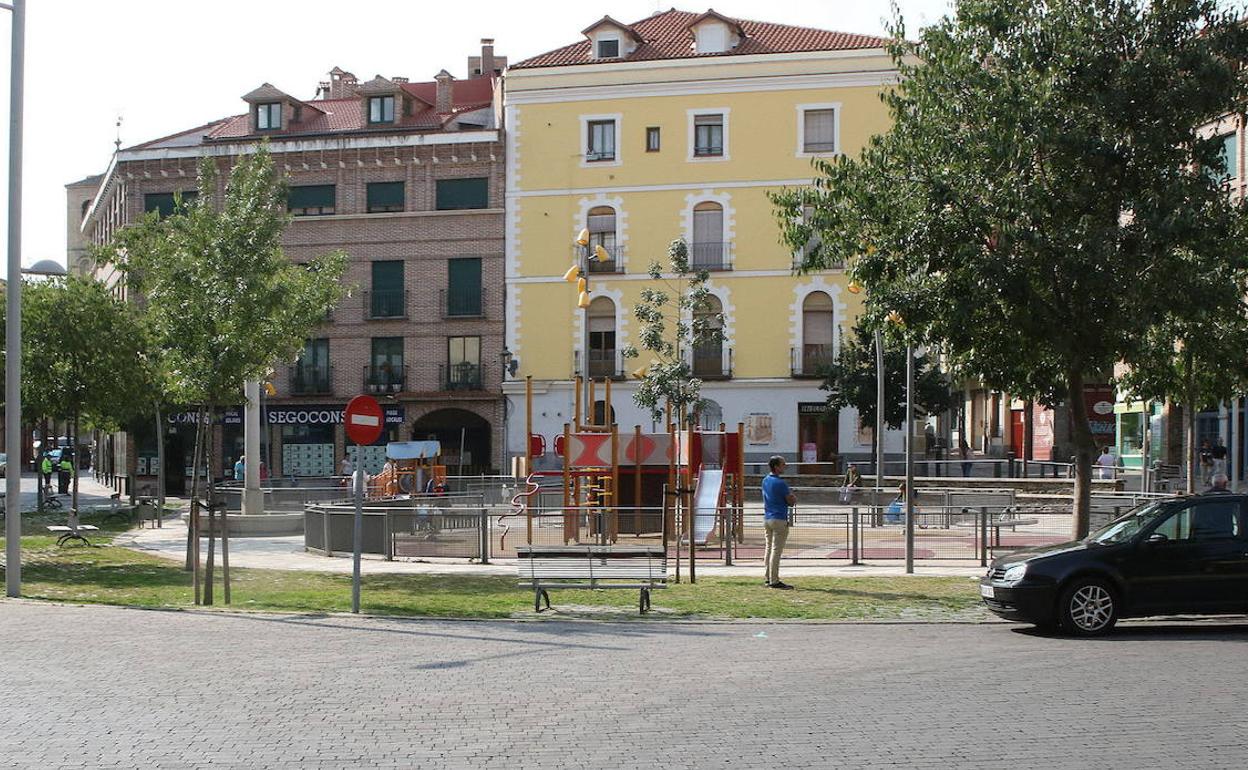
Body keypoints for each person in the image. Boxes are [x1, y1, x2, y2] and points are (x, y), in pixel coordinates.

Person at [761, 455, 796, 590]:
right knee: (776, 550)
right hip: (779, 518)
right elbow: (790, 501)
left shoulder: (765, 480)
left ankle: (768, 577)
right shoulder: (781, 483)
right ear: (776, 467)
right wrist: (793, 497)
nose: (785, 467)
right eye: (783, 464)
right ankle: (774, 580)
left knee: (769, 548)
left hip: (768, 517)